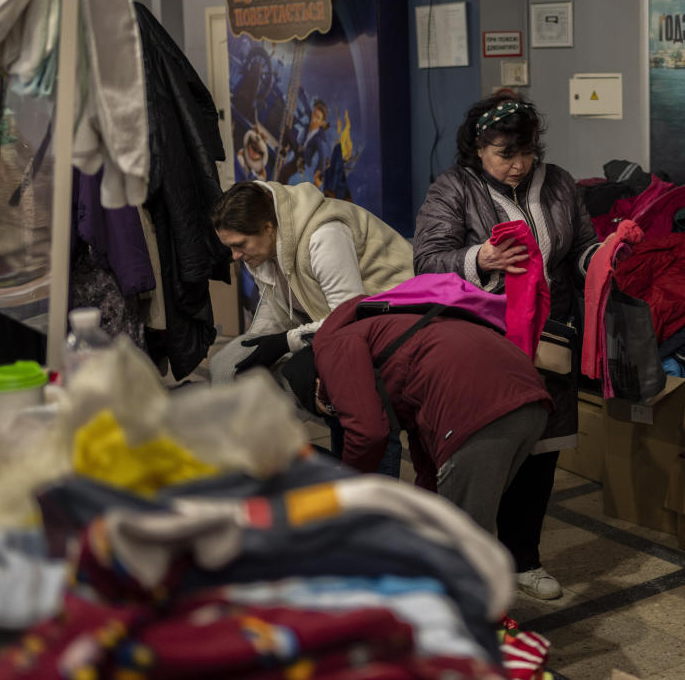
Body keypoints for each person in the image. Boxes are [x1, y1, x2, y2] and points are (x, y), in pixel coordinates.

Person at [413, 91, 600, 601]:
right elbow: (427, 260)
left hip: (548, 340)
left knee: (540, 452)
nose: (517, 166)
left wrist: (600, 260)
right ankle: (465, 563)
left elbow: (581, 245)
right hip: (482, 342)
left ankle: (524, 559)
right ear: (478, 149)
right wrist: (480, 259)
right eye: (504, 155)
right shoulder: (454, 188)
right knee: (484, 451)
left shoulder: (558, 182)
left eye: (526, 153)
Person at [278, 295, 553, 534]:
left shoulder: (332, 348)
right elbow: (425, 454)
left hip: (475, 406)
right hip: (529, 397)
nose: (337, 414)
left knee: (457, 542)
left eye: (331, 408)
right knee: (460, 528)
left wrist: (347, 493)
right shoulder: (384, 330)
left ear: (316, 383)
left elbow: (368, 433)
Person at [209, 180, 413, 385]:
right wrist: (254, 343)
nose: (235, 256)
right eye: (230, 248)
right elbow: (275, 309)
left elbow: (349, 319)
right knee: (224, 365)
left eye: (239, 245)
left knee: (292, 375)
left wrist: (285, 342)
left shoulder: (323, 236)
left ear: (268, 227)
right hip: (340, 325)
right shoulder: (262, 251)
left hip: (398, 319)